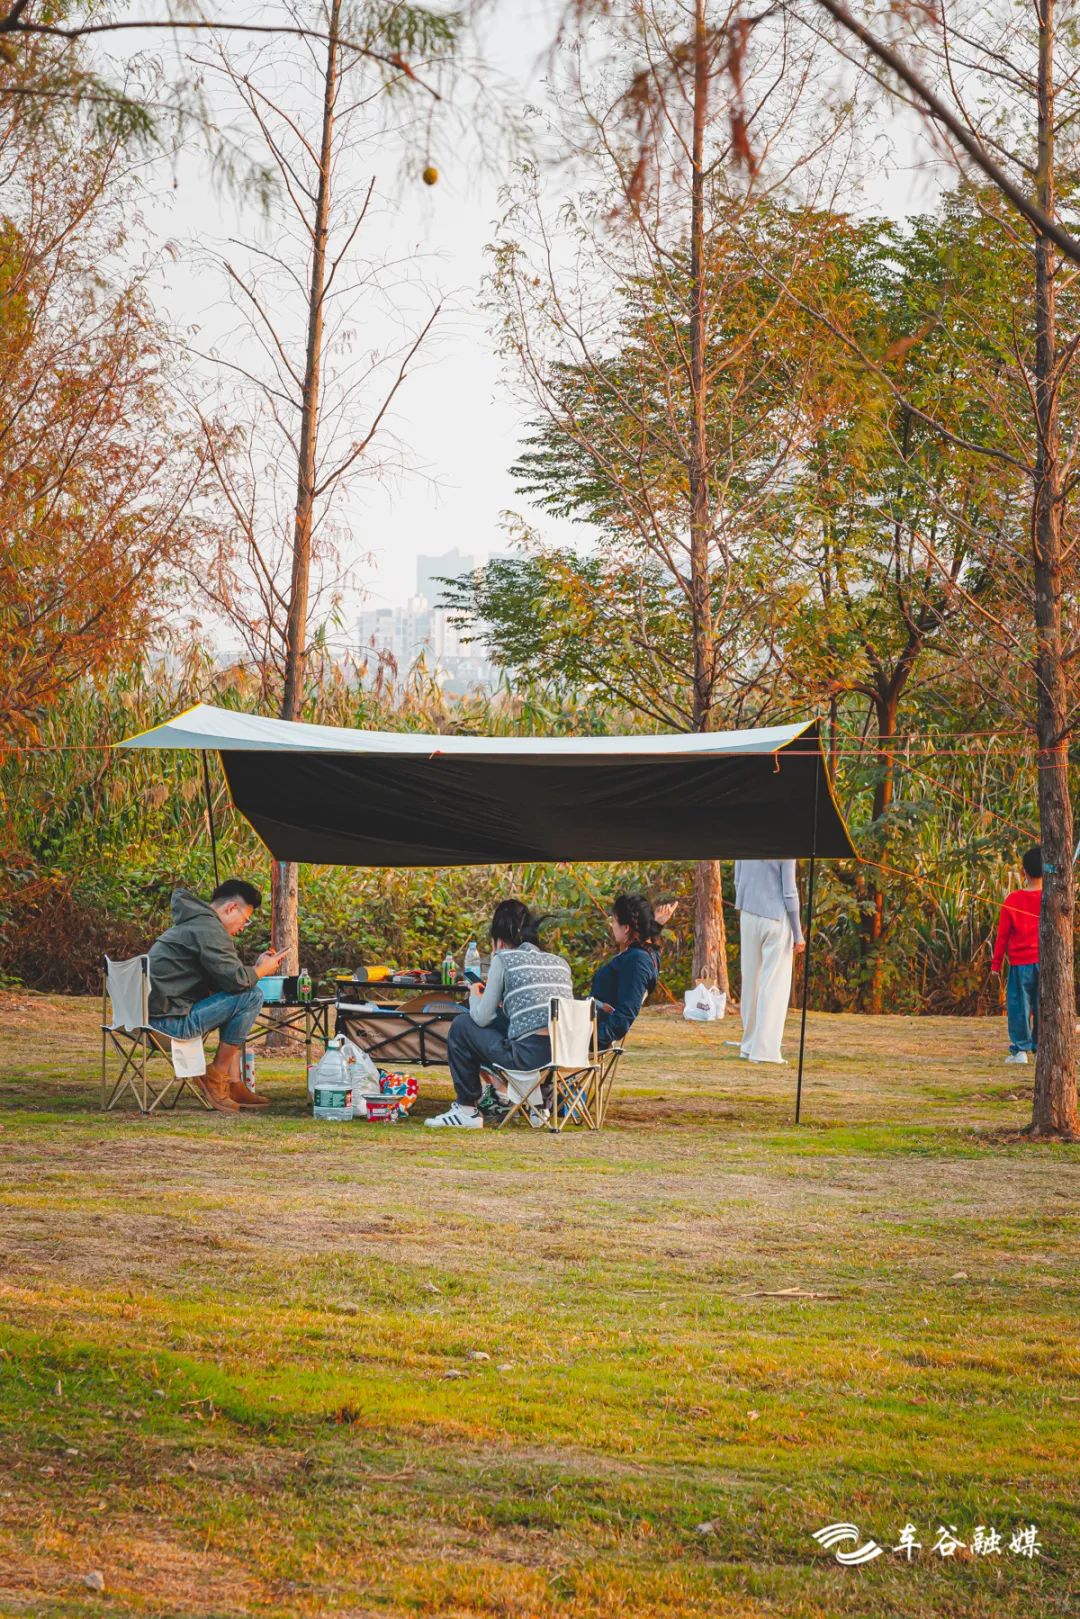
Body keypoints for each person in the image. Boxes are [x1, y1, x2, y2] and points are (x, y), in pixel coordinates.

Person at [426, 899, 573, 1130]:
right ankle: (540, 1108)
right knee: (515, 1024)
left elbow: (482, 1018)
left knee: (462, 1025)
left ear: (499, 942)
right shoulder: (559, 963)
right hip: (564, 1055)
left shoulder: (504, 959)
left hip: (526, 1059)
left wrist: (475, 995)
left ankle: (466, 1110)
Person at [147, 881, 288, 1113]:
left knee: (240, 996)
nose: (243, 928)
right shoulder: (209, 928)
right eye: (246, 920)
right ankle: (217, 1074)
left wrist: (254, 969)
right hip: (168, 1024)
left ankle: (233, 1082)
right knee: (251, 996)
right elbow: (239, 981)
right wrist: (262, 969)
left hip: (149, 1019)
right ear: (231, 908)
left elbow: (229, 981)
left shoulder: (195, 922)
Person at [734, 859, 805, 1064]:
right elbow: (789, 893)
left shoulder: (744, 845)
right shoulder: (785, 850)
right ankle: (764, 1050)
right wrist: (798, 932)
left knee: (751, 982)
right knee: (773, 985)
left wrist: (746, 905)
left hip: (748, 914)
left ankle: (748, 1045)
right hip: (775, 917)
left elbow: (737, 881)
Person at [590, 893, 677, 1050]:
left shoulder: (637, 961)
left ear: (626, 928)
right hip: (589, 1021)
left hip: (592, 1033)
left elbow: (624, 1015)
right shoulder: (646, 954)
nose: (612, 926)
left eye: (614, 921)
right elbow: (647, 944)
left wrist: (591, 1042)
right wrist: (655, 925)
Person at [990, 847, 1042, 1065]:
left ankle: (1021, 1050)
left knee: (1019, 1007)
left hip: (1020, 965)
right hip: (1045, 965)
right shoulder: (1052, 898)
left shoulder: (1012, 900)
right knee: (1042, 1006)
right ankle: (1040, 1047)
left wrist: (995, 965)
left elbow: (1002, 936)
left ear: (1023, 872)